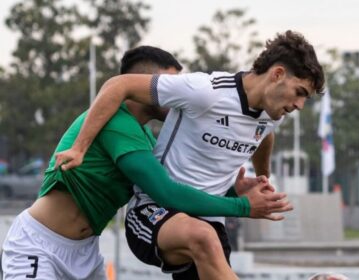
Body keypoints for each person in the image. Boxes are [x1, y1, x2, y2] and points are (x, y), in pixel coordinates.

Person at [1, 46, 290, 280]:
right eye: (172, 81)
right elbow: (168, 193)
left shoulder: (147, 140)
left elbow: (177, 194)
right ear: (149, 84)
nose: (179, 93)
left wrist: (232, 192)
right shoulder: (115, 124)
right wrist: (243, 207)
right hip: (39, 246)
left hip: (85, 254)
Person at [55, 30, 323, 279]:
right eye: (299, 92)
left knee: (208, 238)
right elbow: (118, 85)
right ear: (277, 74)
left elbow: (265, 134)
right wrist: (80, 146)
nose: (299, 105)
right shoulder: (205, 91)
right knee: (203, 237)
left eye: (305, 98)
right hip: (153, 212)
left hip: (209, 224)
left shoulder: (273, 115)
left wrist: (263, 178)